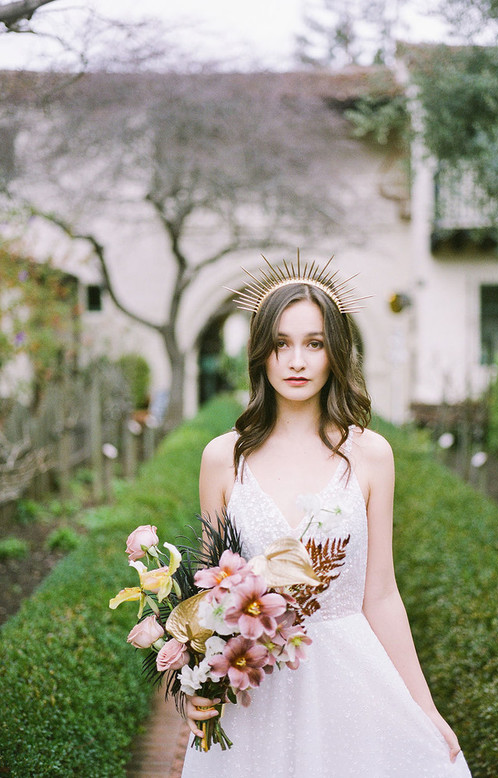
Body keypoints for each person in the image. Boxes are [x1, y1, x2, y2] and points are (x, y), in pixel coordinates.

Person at [181, 256, 472, 777]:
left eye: (313, 344)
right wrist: (197, 690)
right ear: (260, 355)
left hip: (351, 679)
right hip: (256, 692)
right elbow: (207, 598)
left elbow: (380, 593)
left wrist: (424, 706)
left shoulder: (372, 455)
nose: (296, 360)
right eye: (280, 344)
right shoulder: (222, 459)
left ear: (334, 353)